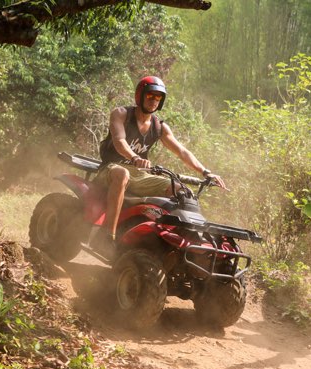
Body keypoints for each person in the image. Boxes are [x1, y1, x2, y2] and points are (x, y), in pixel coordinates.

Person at [92, 76, 226, 258]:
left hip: (139, 174)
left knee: (180, 189)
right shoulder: (121, 114)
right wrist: (134, 157)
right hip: (111, 168)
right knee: (122, 173)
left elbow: (182, 151)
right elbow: (119, 140)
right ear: (140, 95)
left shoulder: (159, 126)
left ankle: (176, 244)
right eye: (150, 96)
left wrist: (205, 172)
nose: (153, 101)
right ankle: (106, 236)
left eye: (158, 98)